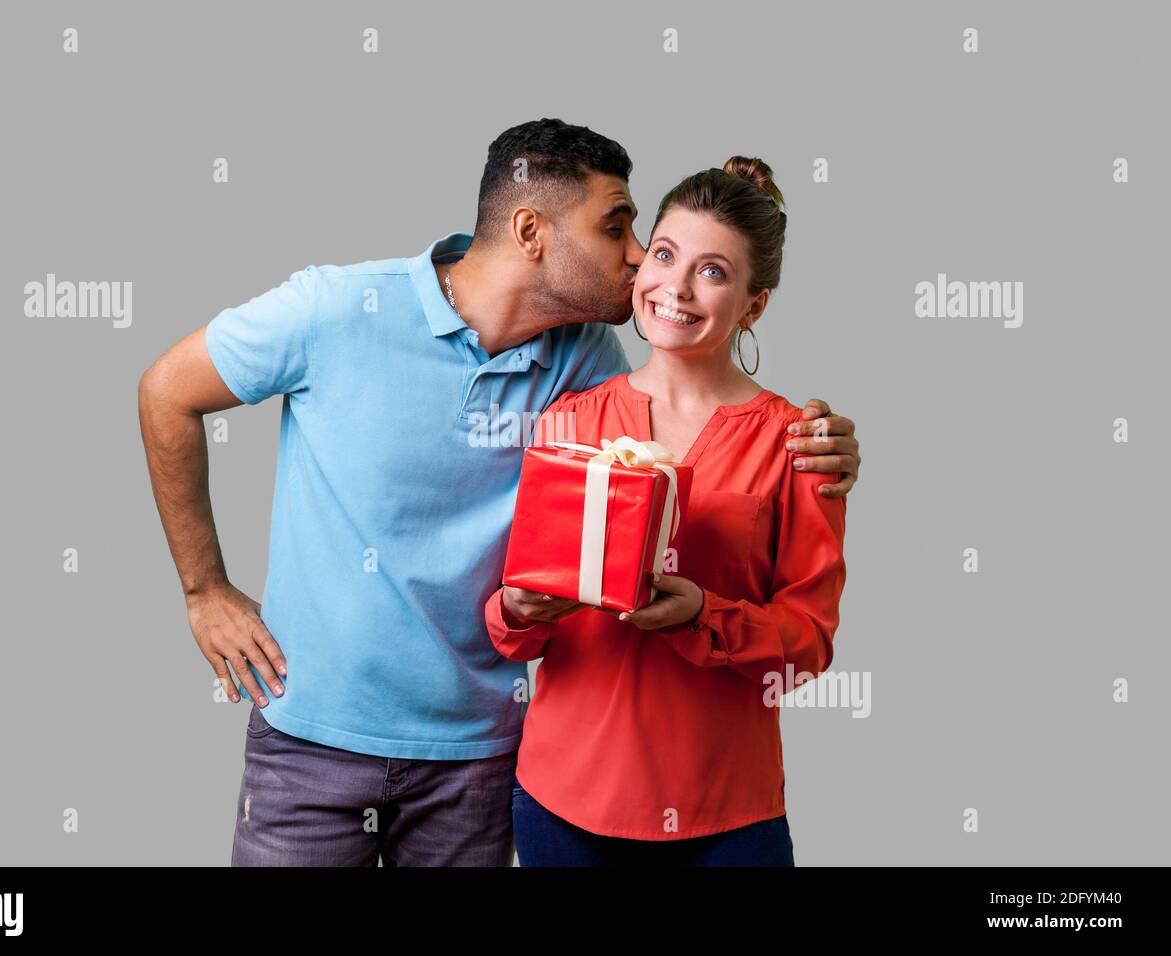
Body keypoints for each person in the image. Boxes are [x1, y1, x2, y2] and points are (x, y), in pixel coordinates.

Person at [137, 119, 862, 866]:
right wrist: (203, 589)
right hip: (312, 740)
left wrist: (820, 447)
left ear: (754, 302)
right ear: (530, 231)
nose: (643, 259)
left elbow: (701, 437)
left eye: (690, 260)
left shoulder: (585, 363)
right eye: (621, 228)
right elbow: (166, 391)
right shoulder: (336, 311)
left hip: (482, 760)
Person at [486, 155, 845, 867]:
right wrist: (519, 609)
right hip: (565, 800)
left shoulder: (798, 442)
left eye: (713, 272)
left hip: (727, 811)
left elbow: (808, 641)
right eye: (666, 254)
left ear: (754, 304)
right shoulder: (568, 420)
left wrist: (704, 614)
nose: (675, 288)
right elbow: (512, 627)